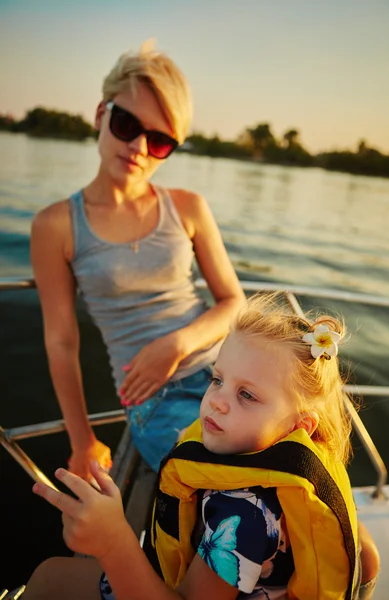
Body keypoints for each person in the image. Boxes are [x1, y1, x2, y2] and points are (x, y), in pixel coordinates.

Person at [24, 294, 379, 599]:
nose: (217, 402)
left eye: (247, 395)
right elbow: (366, 556)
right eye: (218, 379)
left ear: (298, 427)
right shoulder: (296, 464)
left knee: (46, 582)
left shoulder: (246, 515)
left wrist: (113, 543)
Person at [30, 41, 245, 479]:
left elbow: (233, 301)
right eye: (126, 123)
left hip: (230, 372)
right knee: (229, 488)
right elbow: (61, 342)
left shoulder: (188, 207)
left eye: (160, 140)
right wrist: (82, 441)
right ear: (100, 113)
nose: (139, 147)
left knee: (300, 465)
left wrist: (177, 344)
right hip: (156, 400)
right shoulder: (57, 226)